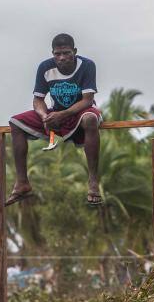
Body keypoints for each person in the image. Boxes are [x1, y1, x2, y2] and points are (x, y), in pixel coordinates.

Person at [7, 33, 103, 207]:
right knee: (15, 122)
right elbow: (38, 100)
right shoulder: (45, 67)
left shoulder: (87, 65)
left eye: (66, 53)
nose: (62, 58)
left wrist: (63, 115)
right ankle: (22, 183)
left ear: (74, 51)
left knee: (90, 119)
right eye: (57, 54)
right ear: (53, 54)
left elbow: (87, 100)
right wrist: (45, 117)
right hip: (56, 113)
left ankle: (93, 182)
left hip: (80, 111)